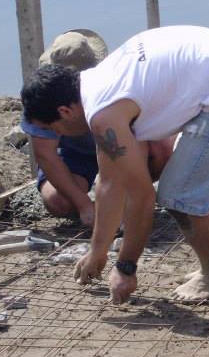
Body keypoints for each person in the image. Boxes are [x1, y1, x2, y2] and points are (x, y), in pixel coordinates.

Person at [20, 25, 209, 303]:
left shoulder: (103, 114)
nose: (56, 135)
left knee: (180, 193)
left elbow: (141, 196)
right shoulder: (95, 87)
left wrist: (126, 267)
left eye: (52, 127)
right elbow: (109, 184)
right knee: (196, 179)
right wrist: (98, 251)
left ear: (65, 111)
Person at [20, 29, 174, 225]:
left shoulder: (116, 83)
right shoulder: (42, 97)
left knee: (161, 150)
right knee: (58, 202)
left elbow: (146, 132)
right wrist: (84, 205)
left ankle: (129, 200)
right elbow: (45, 154)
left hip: (121, 143)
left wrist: (133, 190)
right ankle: (100, 207)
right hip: (75, 153)